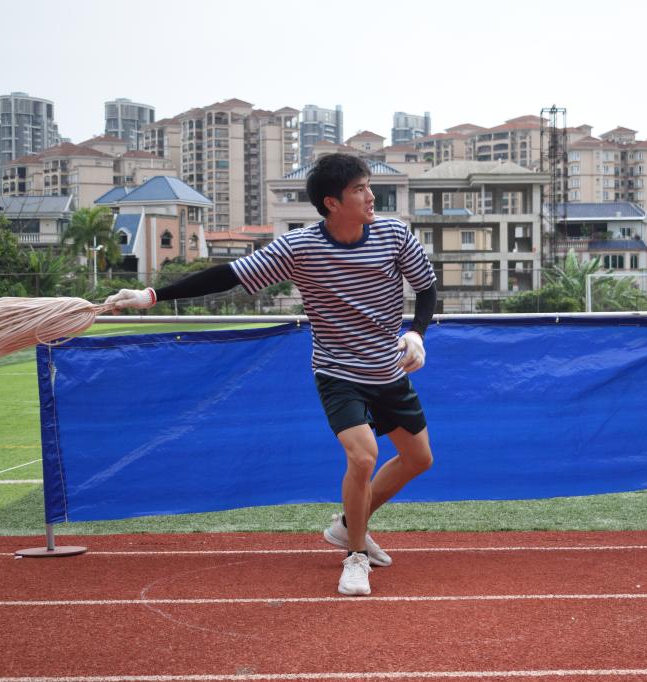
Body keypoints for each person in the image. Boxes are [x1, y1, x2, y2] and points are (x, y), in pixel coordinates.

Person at [105, 153, 437, 596]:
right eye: (360, 189)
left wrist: (416, 333)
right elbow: (228, 275)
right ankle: (356, 557)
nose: (371, 196)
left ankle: (346, 525)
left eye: (368, 186)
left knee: (419, 459)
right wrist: (151, 295)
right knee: (362, 457)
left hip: (387, 369)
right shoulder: (299, 247)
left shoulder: (393, 234)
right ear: (332, 202)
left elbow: (427, 288)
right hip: (338, 371)